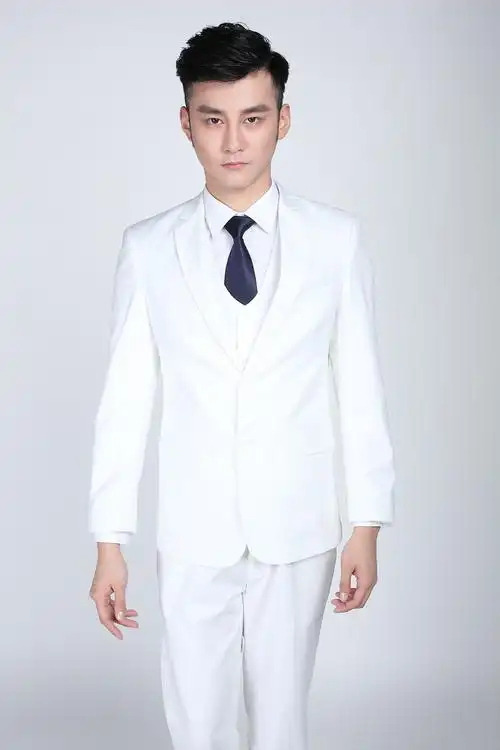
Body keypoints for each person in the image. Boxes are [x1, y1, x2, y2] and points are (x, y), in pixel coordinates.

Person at [88, 21, 395, 750]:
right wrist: (109, 539)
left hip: (299, 523)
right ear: (185, 123)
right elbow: (124, 404)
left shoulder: (335, 240)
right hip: (193, 528)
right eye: (213, 119)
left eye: (253, 119)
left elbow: (360, 389)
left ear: (282, 121)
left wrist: (367, 522)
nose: (233, 142)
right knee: (197, 720)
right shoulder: (148, 248)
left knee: (281, 720)